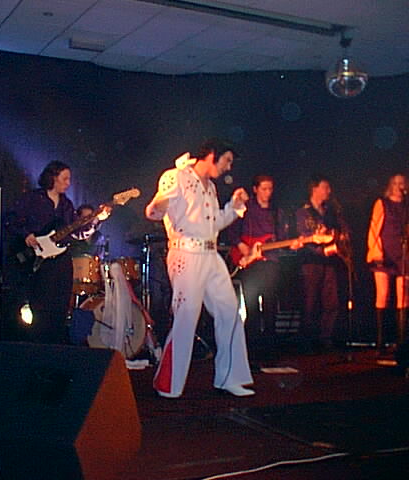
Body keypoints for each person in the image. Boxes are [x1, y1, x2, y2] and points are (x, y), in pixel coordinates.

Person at [145, 139, 254, 398]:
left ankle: (229, 377)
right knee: (186, 316)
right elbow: (154, 211)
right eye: (227, 160)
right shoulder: (176, 176)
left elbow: (214, 223)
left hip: (210, 255)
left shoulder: (210, 187)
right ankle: (169, 384)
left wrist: (234, 207)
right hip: (186, 254)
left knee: (230, 311)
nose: (228, 167)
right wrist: (158, 206)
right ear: (213, 155)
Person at [227, 175, 299, 362]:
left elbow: (281, 239)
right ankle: (250, 350)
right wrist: (242, 247)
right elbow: (232, 231)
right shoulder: (246, 208)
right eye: (264, 189)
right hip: (249, 262)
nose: (268, 193)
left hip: (270, 261)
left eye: (270, 189)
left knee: (270, 306)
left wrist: (292, 245)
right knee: (251, 306)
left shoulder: (277, 213)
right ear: (255, 189)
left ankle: (269, 350)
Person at [6, 161, 78, 344]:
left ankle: (56, 344)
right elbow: (11, 219)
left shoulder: (67, 205)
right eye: (65, 178)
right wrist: (26, 235)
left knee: (60, 306)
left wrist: (96, 221)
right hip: (38, 261)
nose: (68, 183)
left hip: (61, 260)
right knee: (40, 307)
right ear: (53, 178)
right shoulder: (32, 199)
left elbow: (77, 232)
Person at [295, 175, 346, 351]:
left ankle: (326, 338)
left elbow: (338, 231)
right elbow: (303, 237)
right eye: (325, 187)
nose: (328, 191)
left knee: (331, 301)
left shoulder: (330, 211)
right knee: (311, 301)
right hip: (311, 261)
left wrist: (340, 238)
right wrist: (320, 250)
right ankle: (308, 340)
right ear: (314, 189)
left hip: (330, 261)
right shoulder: (303, 213)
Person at [366, 173, 409, 350]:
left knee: (403, 296)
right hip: (384, 253)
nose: (399, 186)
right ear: (391, 185)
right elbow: (374, 228)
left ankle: (401, 342)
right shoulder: (382, 203)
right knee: (383, 294)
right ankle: (380, 342)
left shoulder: (406, 206)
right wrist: (375, 251)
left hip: (403, 254)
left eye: (402, 183)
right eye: (396, 183)